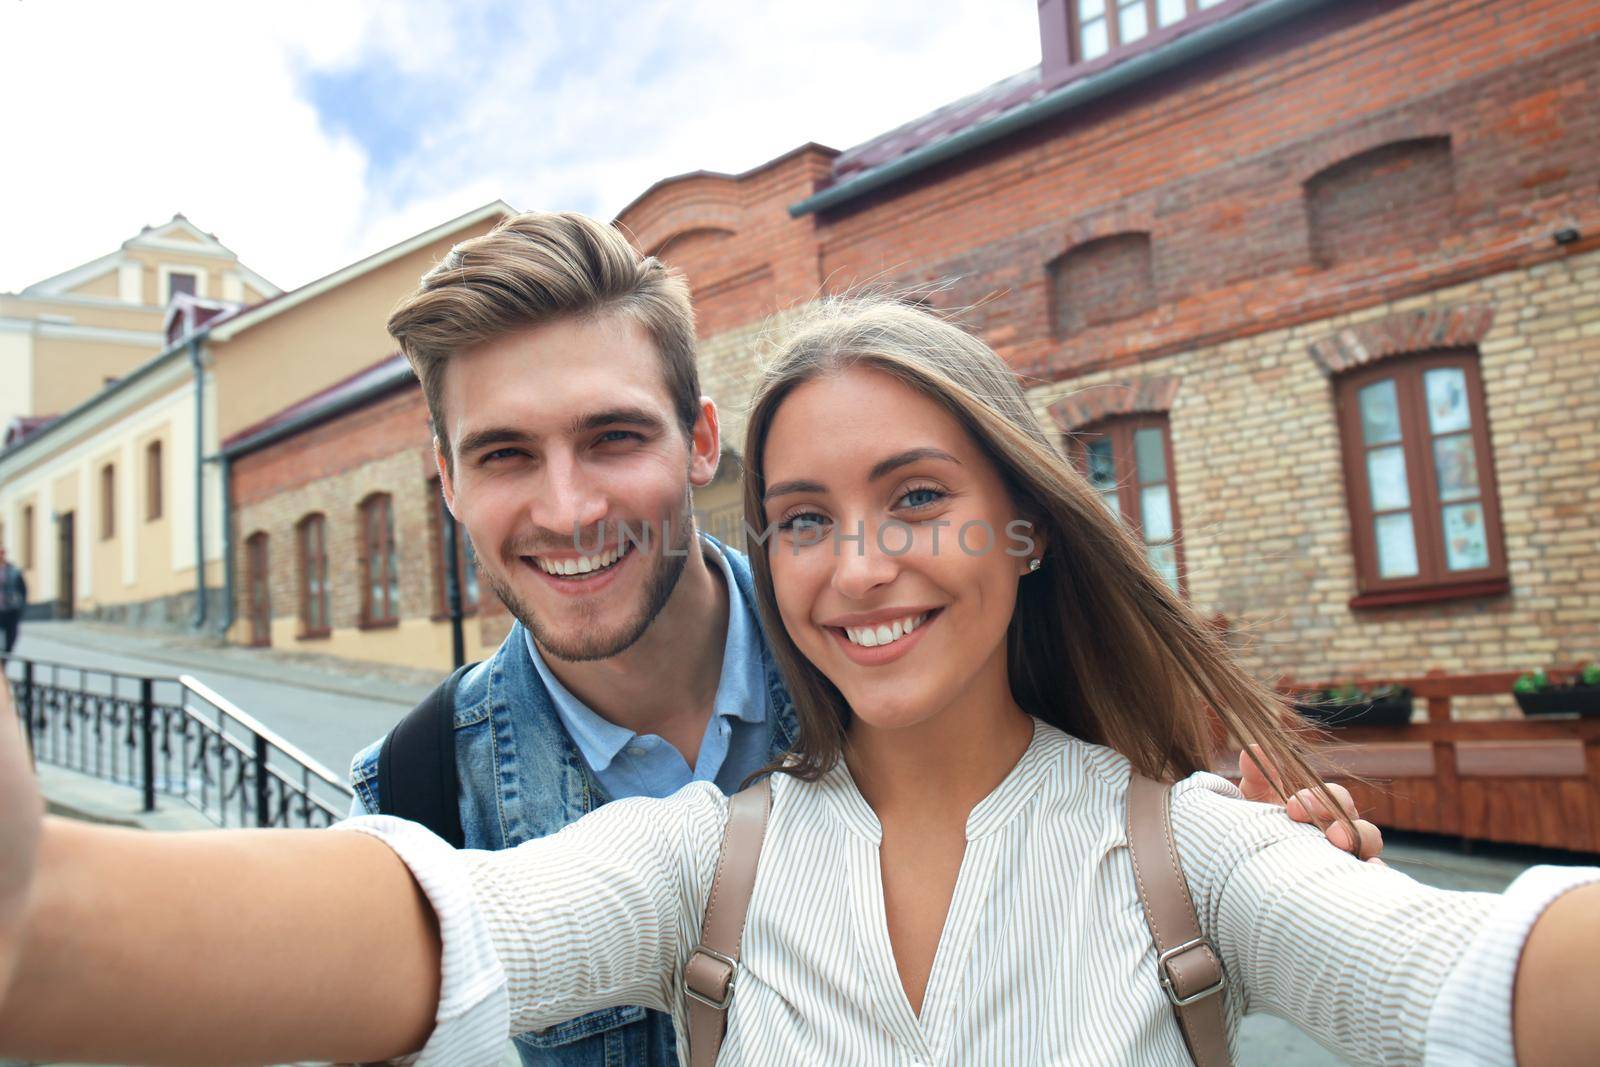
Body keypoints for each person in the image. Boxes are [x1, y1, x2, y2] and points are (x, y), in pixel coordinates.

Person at [0, 297, 1597, 1067]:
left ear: (1028, 523)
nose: (859, 566)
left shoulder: (1199, 848)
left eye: (918, 496)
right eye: (805, 520)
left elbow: (1478, 978)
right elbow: (68, 942)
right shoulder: (705, 854)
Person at [345, 212, 1382, 1066]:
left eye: (613, 437)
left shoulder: (911, 659)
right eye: (505, 454)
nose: (568, 510)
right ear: (447, 480)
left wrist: (1271, 866)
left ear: (702, 441)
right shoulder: (417, 790)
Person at [0, 546, 24, 655]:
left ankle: (4, 666)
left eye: (2, 552)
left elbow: (22, 590)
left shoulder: (13, 570)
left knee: (10, 641)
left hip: (11, 610)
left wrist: (21, 607)